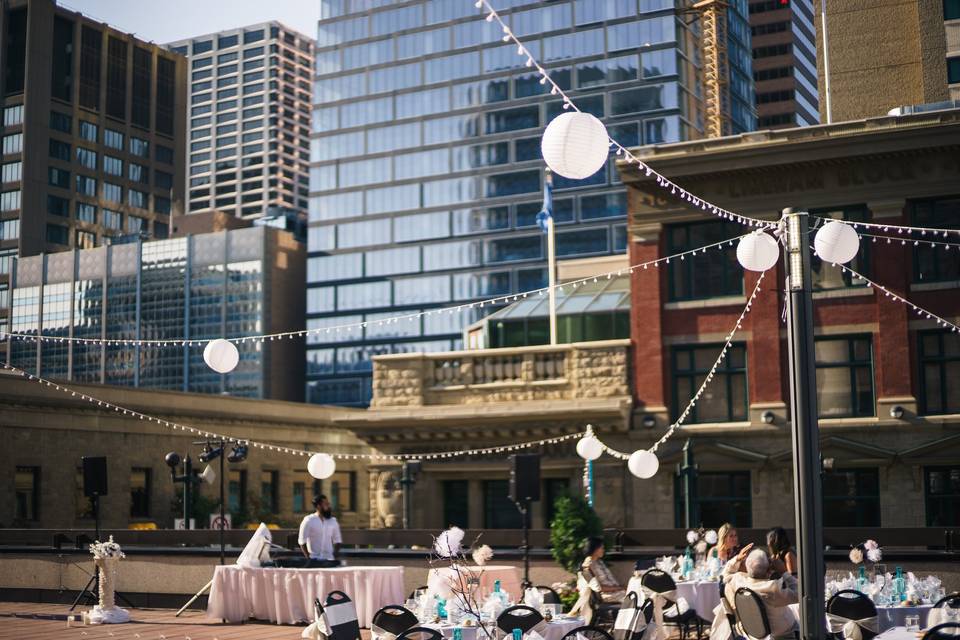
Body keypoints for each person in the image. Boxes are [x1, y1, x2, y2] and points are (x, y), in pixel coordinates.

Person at [723, 546, 799, 639]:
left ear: (747, 567)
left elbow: (726, 574)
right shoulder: (773, 588)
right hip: (780, 634)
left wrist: (737, 559)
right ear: (768, 570)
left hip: (751, 632)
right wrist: (784, 572)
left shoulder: (738, 581)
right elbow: (799, 594)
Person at [298, 494, 342, 567]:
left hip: (329, 560)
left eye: (328, 504)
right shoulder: (309, 520)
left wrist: (334, 556)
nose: (328, 506)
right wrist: (308, 559)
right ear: (319, 506)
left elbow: (337, 541)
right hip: (314, 559)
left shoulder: (333, 521)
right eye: (326, 504)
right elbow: (302, 541)